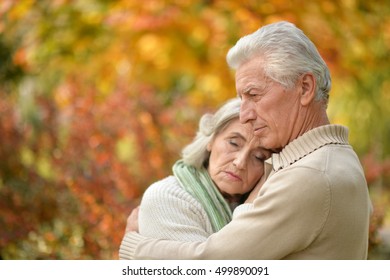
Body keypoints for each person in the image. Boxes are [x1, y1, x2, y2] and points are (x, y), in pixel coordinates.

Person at [119, 21, 372, 259]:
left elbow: (217, 262)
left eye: (253, 94)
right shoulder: (339, 159)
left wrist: (134, 247)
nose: (244, 114)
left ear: (305, 88)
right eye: (242, 99)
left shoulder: (310, 174)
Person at [119, 98, 271, 259]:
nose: (240, 162)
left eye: (259, 157)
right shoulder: (167, 197)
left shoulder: (265, 205)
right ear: (211, 140)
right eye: (233, 143)